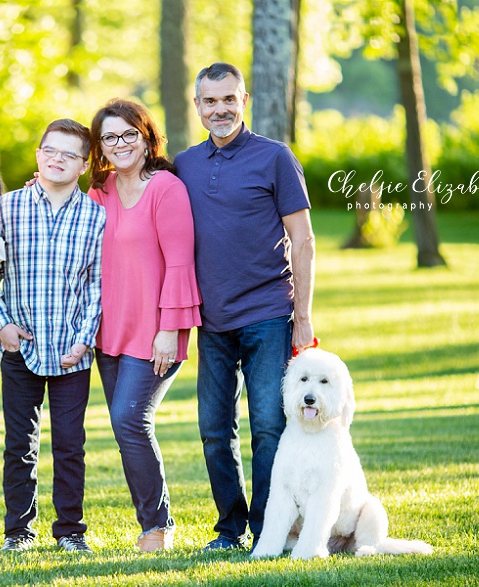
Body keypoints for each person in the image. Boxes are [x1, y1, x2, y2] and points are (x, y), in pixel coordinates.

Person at [173, 63, 317, 551]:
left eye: (228, 99)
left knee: (269, 428)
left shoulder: (275, 157)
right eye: (210, 101)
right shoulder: (184, 164)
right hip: (210, 320)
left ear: (244, 100)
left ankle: (268, 529)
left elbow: (303, 240)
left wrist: (303, 317)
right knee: (214, 430)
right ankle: (230, 528)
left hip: (268, 313)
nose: (220, 109)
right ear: (197, 105)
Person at [0, 119, 106, 554]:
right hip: (21, 346)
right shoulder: (6, 209)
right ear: (38, 154)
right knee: (20, 445)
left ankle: (70, 530)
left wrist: (85, 338)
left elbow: (96, 286)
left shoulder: (95, 218)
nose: (57, 159)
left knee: (70, 446)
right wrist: (1, 325)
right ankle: (19, 531)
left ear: (83, 165)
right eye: (50, 150)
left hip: (72, 351)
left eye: (69, 154)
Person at [87, 99, 201, 552]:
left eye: (128, 134)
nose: (120, 144)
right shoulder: (100, 191)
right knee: (124, 426)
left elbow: (179, 263)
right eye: (110, 137)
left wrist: (169, 329)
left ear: (147, 136)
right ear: (100, 146)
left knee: (129, 419)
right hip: (108, 330)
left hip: (156, 330)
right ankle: (150, 522)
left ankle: (158, 526)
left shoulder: (166, 188)